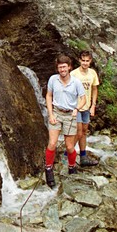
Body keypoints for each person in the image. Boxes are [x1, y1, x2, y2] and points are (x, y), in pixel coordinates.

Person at [44, 53, 86, 188]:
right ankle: (49, 169)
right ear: (57, 69)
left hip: (70, 115)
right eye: (60, 68)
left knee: (69, 146)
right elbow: (48, 95)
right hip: (56, 112)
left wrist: (77, 108)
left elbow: (83, 98)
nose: (62, 70)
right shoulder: (53, 79)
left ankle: (72, 166)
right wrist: (50, 114)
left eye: (64, 67)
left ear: (69, 67)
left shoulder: (76, 82)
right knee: (52, 143)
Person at [70, 50, 99, 167]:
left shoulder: (92, 73)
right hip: (76, 107)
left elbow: (95, 89)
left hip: (87, 107)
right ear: (79, 60)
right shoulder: (73, 74)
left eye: (87, 61)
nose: (85, 63)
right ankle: (68, 153)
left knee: (84, 131)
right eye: (83, 61)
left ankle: (83, 156)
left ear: (90, 61)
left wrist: (93, 105)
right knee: (79, 132)